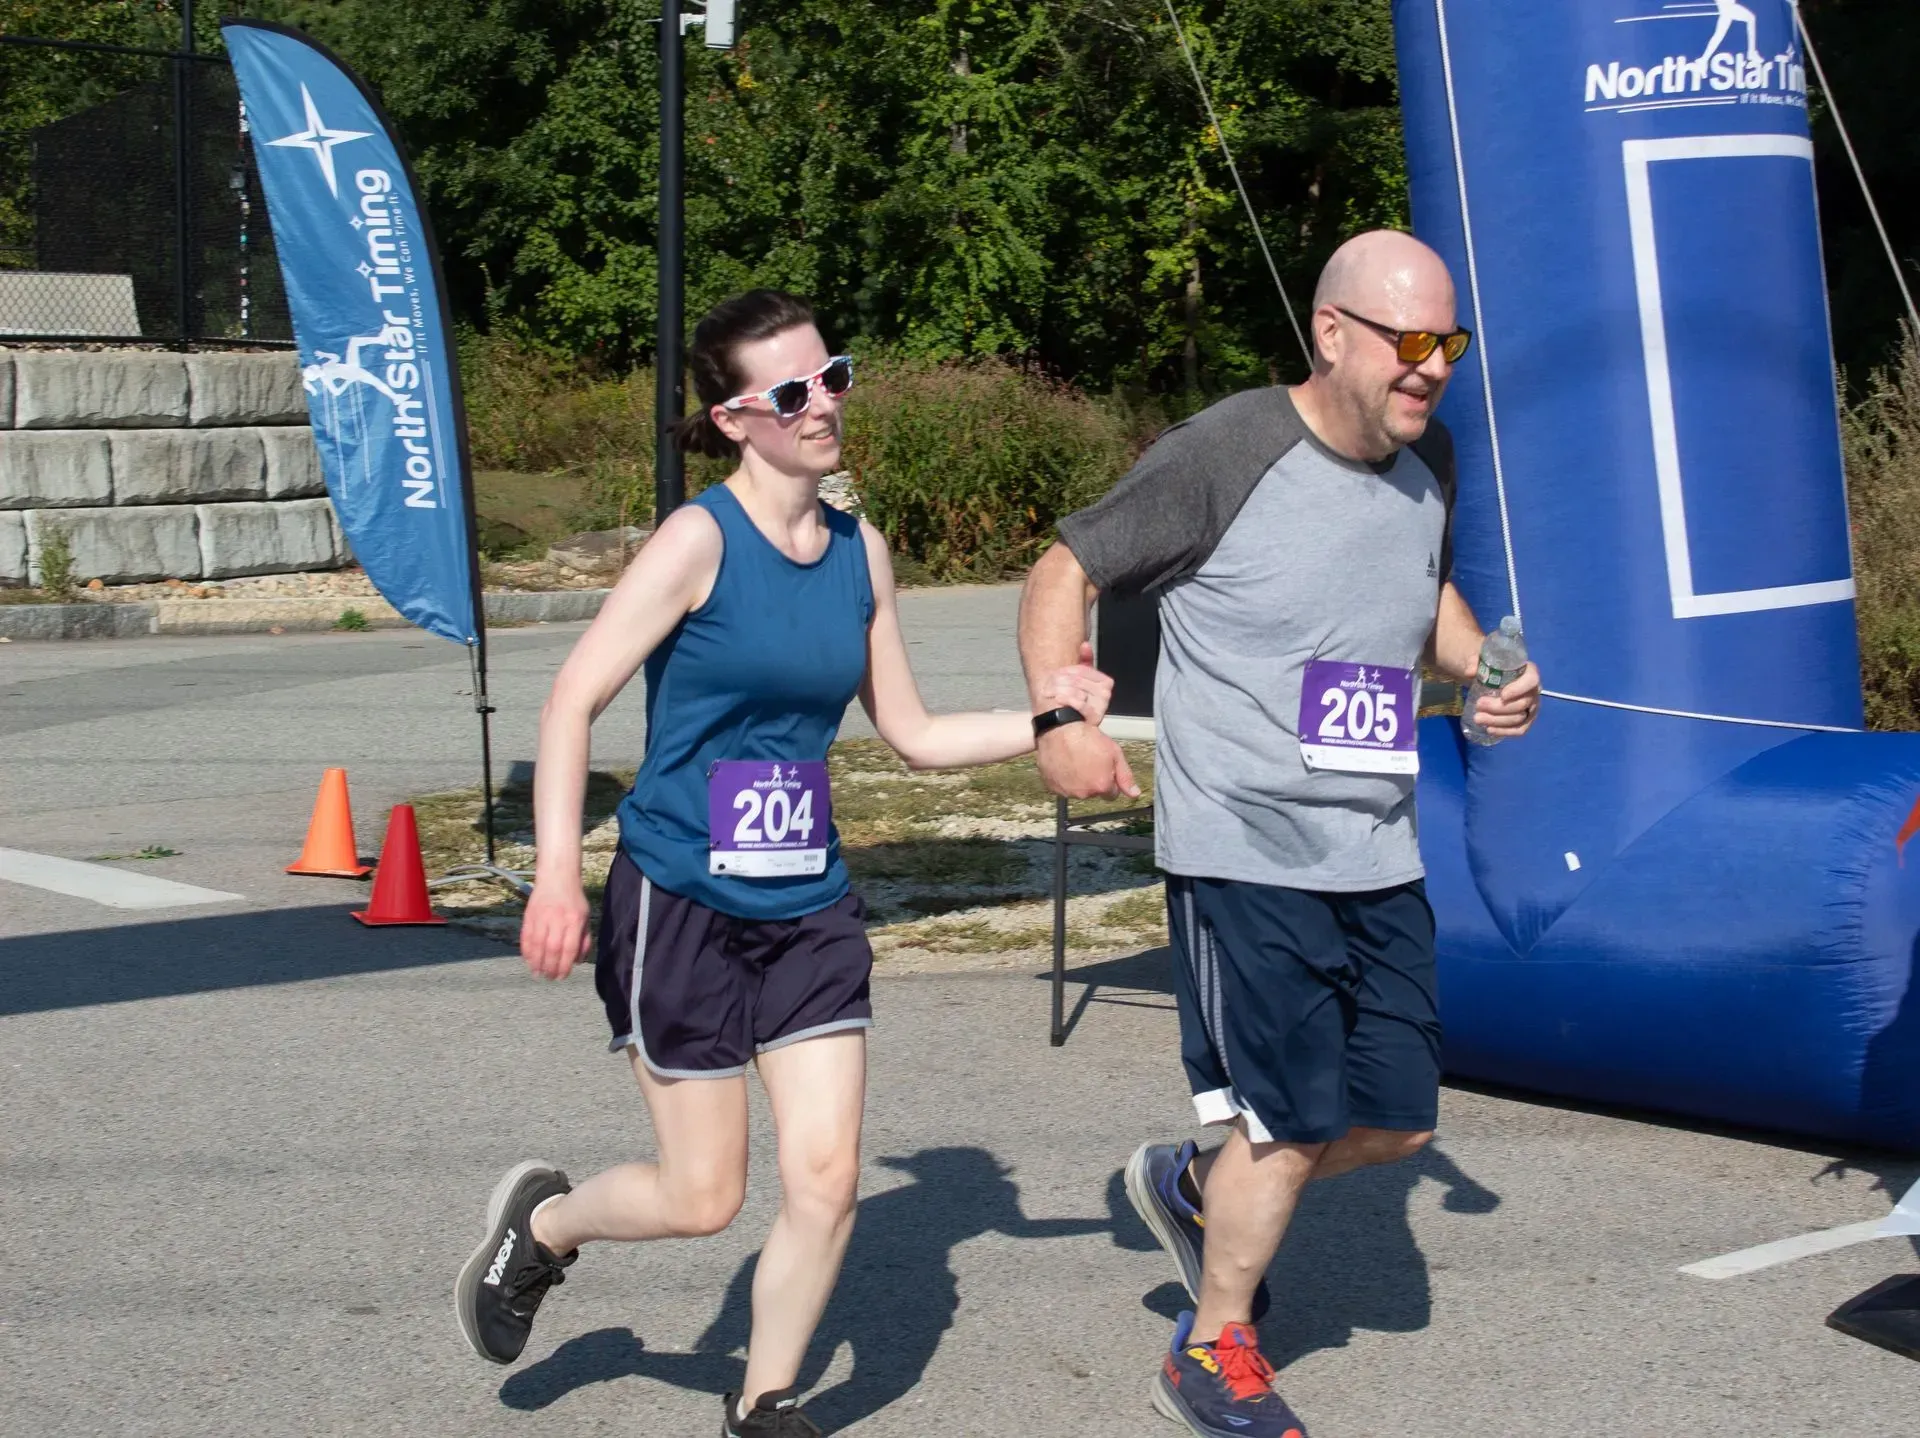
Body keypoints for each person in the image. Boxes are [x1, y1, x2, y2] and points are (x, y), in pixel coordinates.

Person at [455, 289, 1112, 1437]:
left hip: (807, 902)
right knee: (705, 1197)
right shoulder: (697, 541)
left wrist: (1048, 721)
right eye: (796, 392)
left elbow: (910, 733)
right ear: (734, 420)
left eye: (836, 376)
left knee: (826, 1179)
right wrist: (558, 874)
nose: (826, 406)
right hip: (682, 898)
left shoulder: (864, 552)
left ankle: (764, 1403)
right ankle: (545, 1227)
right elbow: (572, 699)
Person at [1017, 231, 1541, 1438]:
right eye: (1408, 344)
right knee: (1290, 1116)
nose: (1430, 369)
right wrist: (1057, 710)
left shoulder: (1432, 456)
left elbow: (1427, 597)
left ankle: (1194, 1183)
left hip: (1377, 846)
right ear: (1332, 332)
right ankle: (1210, 1348)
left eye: (1448, 345)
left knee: (1399, 1117)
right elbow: (1064, 569)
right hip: (1241, 844)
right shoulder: (1229, 450)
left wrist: (1484, 675)